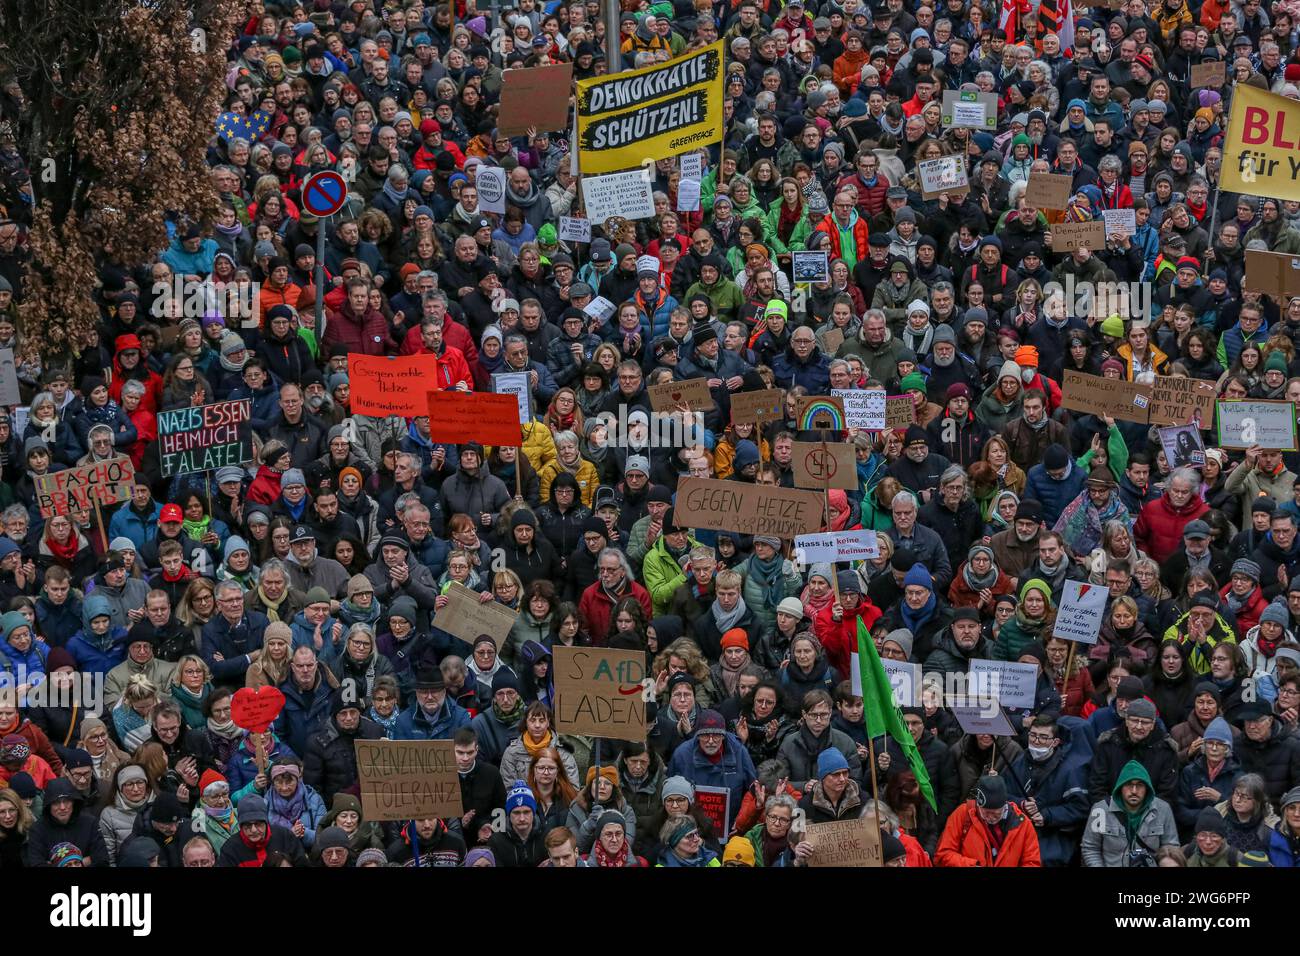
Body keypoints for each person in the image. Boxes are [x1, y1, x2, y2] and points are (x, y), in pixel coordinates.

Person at [1082, 760, 1181, 867]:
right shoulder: (1100, 810)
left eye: (1140, 785)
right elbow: (1091, 848)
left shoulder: (1163, 809)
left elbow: (1171, 848)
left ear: (1147, 788)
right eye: (1129, 784)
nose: (1134, 791)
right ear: (1120, 787)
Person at [935, 774, 1042, 867]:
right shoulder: (962, 814)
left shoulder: (1022, 823)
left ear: (1005, 806)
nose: (990, 818)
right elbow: (943, 854)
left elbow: (1032, 862)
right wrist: (970, 865)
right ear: (978, 805)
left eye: (996, 814)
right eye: (985, 813)